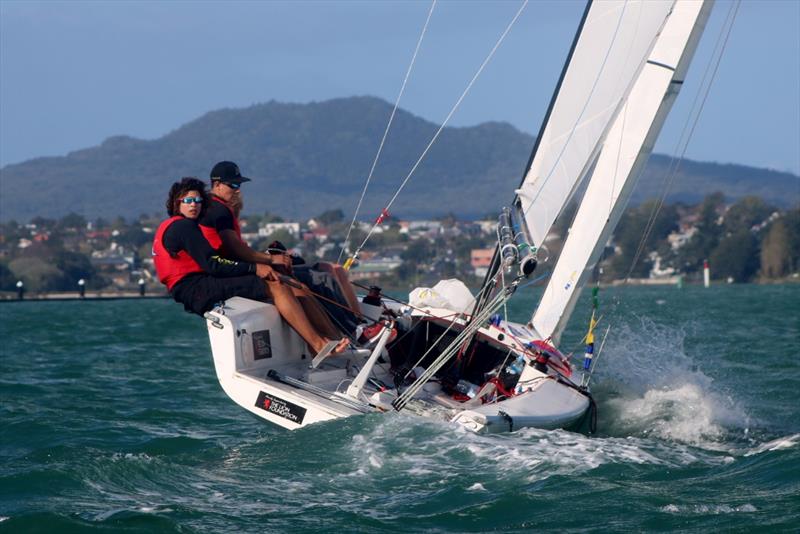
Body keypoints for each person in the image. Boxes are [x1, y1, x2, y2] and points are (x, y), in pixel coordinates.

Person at [153, 177, 347, 355]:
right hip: (195, 288)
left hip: (201, 283)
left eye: (197, 201)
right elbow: (213, 264)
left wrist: (257, 266)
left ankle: (333, 340)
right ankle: (318, 345)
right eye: (187, 201)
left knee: (294, 285)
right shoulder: (183, 227)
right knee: (276, 284)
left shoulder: (182, 226)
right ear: (176, 204)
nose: (193, 205)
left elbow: (215, 263)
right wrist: (254, 268)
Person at [198, 161, 362, 334]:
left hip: (242, 269)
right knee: (321, 278)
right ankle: (354, 331)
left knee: (326, 269)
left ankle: (356, 325)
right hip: (243, 272)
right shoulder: (219, 209)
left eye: (239, 185)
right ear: (216, 185)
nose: (238, 190)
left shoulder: (215, 207)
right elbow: (234, 249)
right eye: (233, 185)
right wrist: (270, 259)